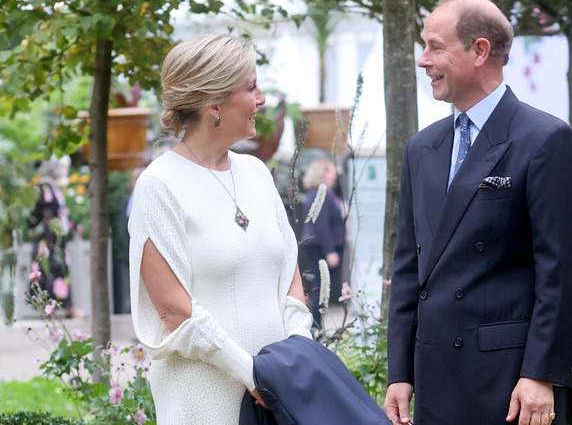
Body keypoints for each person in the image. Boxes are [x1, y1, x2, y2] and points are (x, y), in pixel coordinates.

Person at [384, 0, 572, 425]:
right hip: (436, 375)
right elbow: (409, 269)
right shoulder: (422, 148)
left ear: (479, 50)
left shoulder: (545, 139)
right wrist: (399, 373)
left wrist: (540, 373)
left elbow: (563, 272)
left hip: (512, 384)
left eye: (435, 47)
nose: (423, 60)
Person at [128, 34, 313, 424]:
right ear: (213, 103)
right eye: (250, 87)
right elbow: (172, 308)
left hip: (278, 392)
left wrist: (297, 357)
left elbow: (290, 277)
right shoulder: (159, 185)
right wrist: (251, 373)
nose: (261, 98)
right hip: (204, 395)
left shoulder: (257, 173)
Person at [28, 156, 82, 318]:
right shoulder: (43, 187)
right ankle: (52, 308)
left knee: (57, 270)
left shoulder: (51, 187)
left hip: (55, 239)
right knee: (51, 270)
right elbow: (35, 215)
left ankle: (62, 308)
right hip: (49, 240)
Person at [299, 158, 346, 328]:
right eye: (332, 170)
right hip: (321, 248)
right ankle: (316, 327)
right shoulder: (321, 194)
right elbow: (321, 225)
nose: (336, 174)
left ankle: (317, 325)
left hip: (317, 246)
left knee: (320, 288)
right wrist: (330, 250)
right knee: (321, 287)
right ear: (324, 172)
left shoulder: (320, 193)